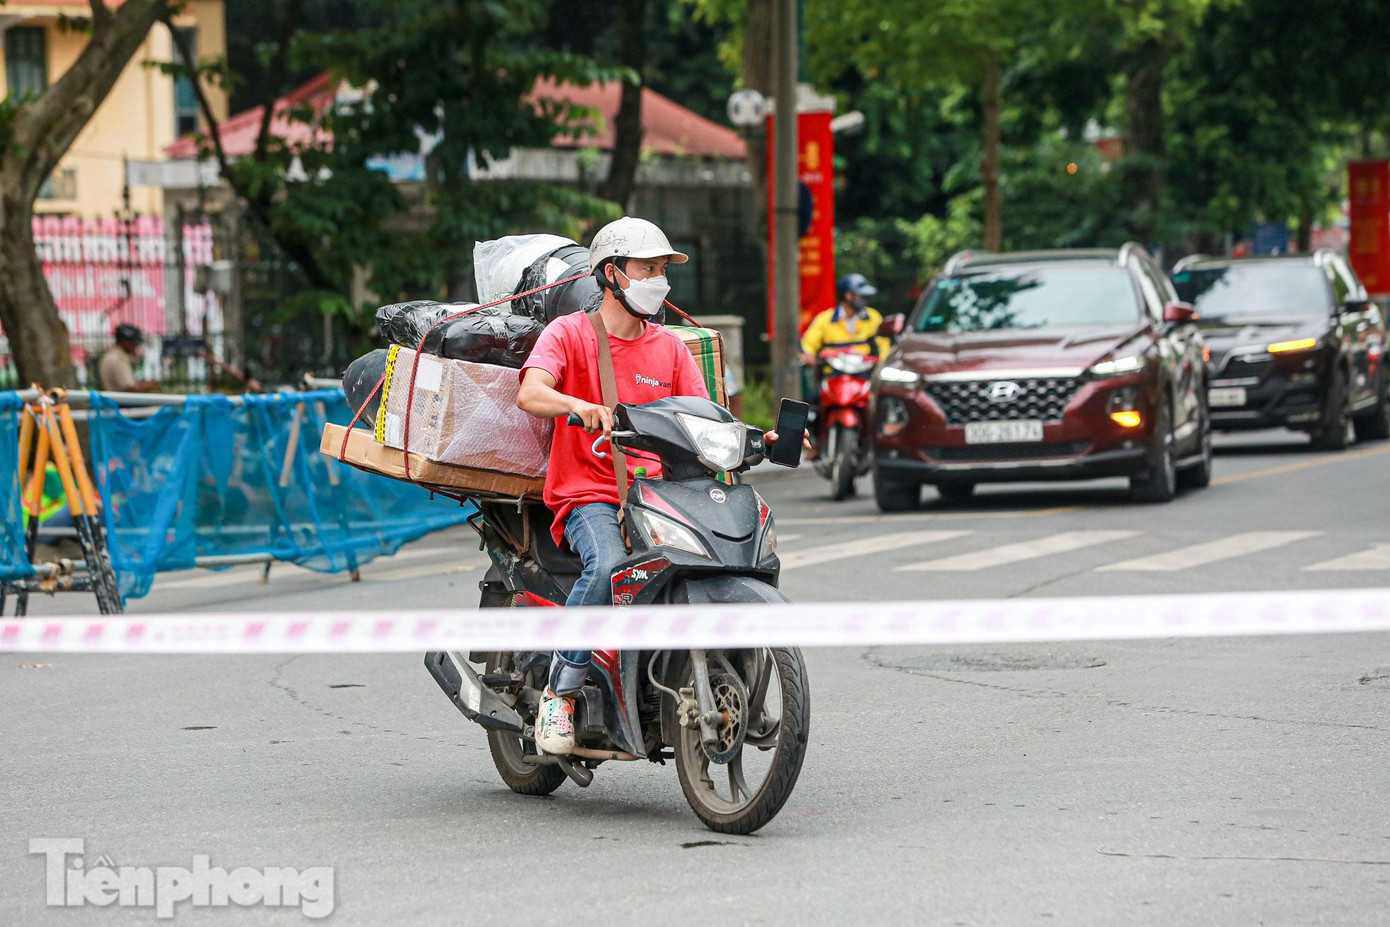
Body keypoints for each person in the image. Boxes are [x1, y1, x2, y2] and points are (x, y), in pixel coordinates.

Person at [517, 217, 794, 755]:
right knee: (608, 566)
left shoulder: (668, 347)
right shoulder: (570, 334)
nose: (659, 279)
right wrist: (579, 406)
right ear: (611, 274)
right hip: (589, 492)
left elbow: (704, 419)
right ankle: (561, 689)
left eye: (663, 269)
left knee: (732, 556)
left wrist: (761, 437)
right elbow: (531, 393)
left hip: (662, 493)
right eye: (648, 268)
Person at [799, 273, 890, 365]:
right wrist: (809, 355)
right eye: (861, 296)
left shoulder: (872, 316)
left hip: (864, 370)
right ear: (848, 295)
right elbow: (809, 344)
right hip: (832, 371)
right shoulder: (825, 319)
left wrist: (883, 362)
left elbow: (883, 343)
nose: (865, 299)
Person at [97, 324, 159, 392]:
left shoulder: (111, 355)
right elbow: (129, 388)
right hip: (120, 401)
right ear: (125, 342)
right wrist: (149, 386)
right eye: (134, 343)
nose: (136, 346)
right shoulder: (118, 359)